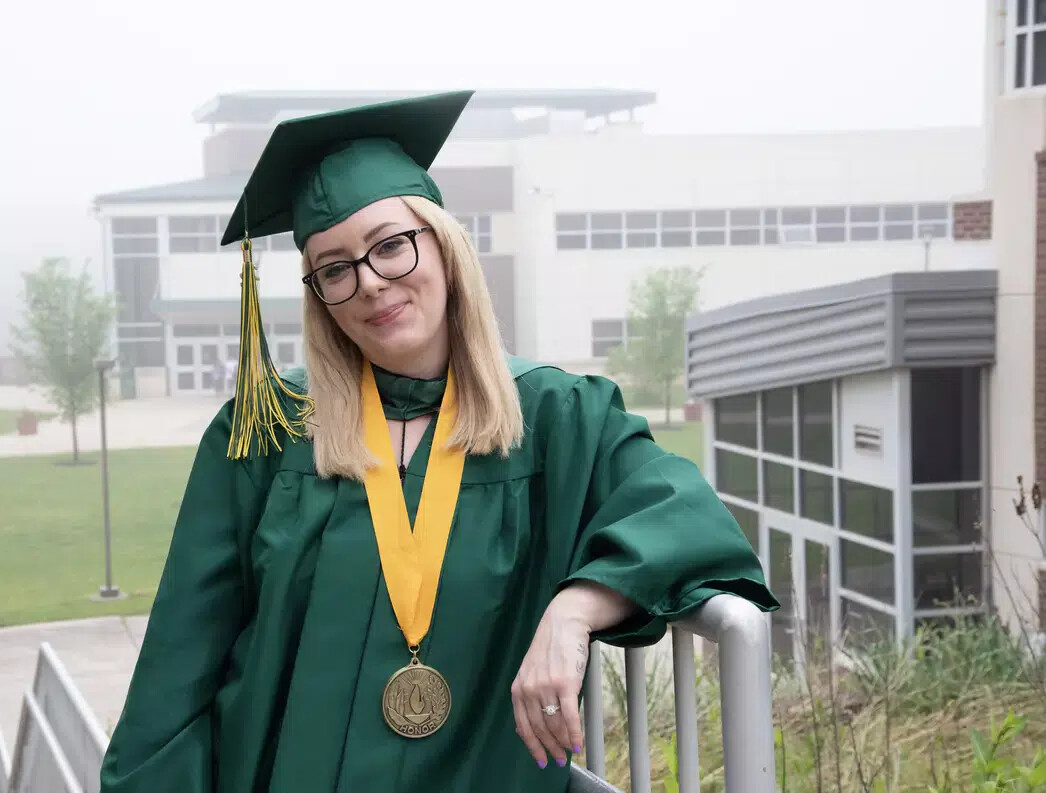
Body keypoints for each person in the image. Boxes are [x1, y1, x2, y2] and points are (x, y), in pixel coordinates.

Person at [99, 91, 777, 793]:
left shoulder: (557, 416)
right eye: (335, 268)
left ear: (444, 246)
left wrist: (576, 609)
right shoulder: (270, 428)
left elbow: (685, 517)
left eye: (391, 245)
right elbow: (177, 673)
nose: (369, 283)